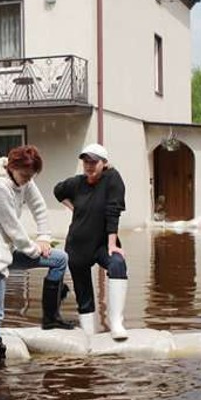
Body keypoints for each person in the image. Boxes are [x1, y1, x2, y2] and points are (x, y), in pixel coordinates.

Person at [0, 145, 72, 361]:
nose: (26, 180)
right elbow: (12, 228)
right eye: (24, 175)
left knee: (60, 259)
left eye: (30, 176)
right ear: (12, 167)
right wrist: (35, 249)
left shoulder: (25, 180)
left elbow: (39, 207)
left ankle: (51, 317)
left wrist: (44, 237)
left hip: (9, 250)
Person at [54, 143, 129, 340]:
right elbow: (57, 191)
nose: (89, 165)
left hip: (104, 243)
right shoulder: (76, 183)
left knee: (117, 264)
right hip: (78, 246)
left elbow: (114, 211)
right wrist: (75, 208)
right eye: (86, 161)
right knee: (83, 293)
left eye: (93, 162)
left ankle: (116, 323)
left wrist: (112, 244)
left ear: (104, 163)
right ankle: (89, 331)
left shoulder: (112, 178)